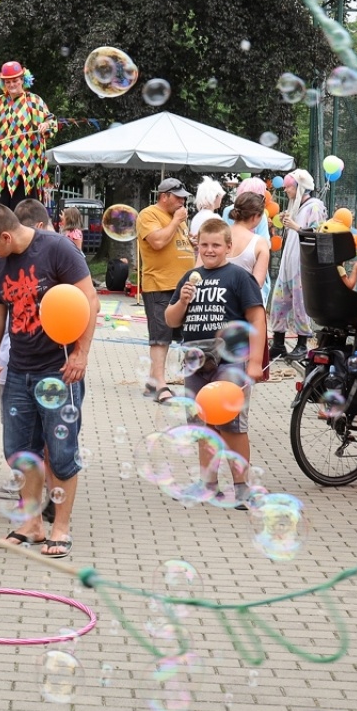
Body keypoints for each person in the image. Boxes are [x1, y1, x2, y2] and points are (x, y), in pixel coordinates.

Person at [0, 201, 99, 559]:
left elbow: (89, 299)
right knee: (19, 451)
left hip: (59, 369)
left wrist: (81, 354)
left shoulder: (58, 249)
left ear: (6, 236)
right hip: (19, 371)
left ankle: (60, 526)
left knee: (60, 454)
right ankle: (31, 524)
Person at [163, 218, 266, 505]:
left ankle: (242, 487)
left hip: (230, 360)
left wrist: (256, 362)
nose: (209, 250)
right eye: (204, 244)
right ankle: (208, 484)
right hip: (195, 361)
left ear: (228, 247)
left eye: (216, 245)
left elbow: (257, 317)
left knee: (232, 425)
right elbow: (170, 319)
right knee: (202, 424)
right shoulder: (189, 278)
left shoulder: (238, 277)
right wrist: (182, 301)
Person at [137, 177, 195, 402]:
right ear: (164, 196)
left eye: (184, 197)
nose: (183, 201)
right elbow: (158, 242)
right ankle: (161, 385)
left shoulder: (178, 218)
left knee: (176, 334)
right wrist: (176, 222)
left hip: (182, 286)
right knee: (161, 336)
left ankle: (152, 381)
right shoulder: (149, 214)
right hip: (160, 284)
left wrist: (192, 242)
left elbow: (176, 244)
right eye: (178, 196)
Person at [267, 169, 326, 364]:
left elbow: (319, 234)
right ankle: (278, 343)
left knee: (301, 303)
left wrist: (297, 227)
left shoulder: (314, 206)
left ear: (300, 186)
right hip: (289, 260)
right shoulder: (296, 206)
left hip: (302, 263)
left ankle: (302, 343)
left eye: (288, 186)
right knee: (279, 302)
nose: (285, 190)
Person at [0, 61, 54, 208]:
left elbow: (51, 120)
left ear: (23, 80)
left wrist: (46, 125)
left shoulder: (34, 100)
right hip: (1, 169)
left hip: (26, 169)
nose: (11, 84)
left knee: (24, 215)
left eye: (15, 80)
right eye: (7, 81)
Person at [225, 192, 271, 288]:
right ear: (255, 217)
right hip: (243, 299)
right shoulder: (260, 243)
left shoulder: (216, 234)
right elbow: (257, 284)